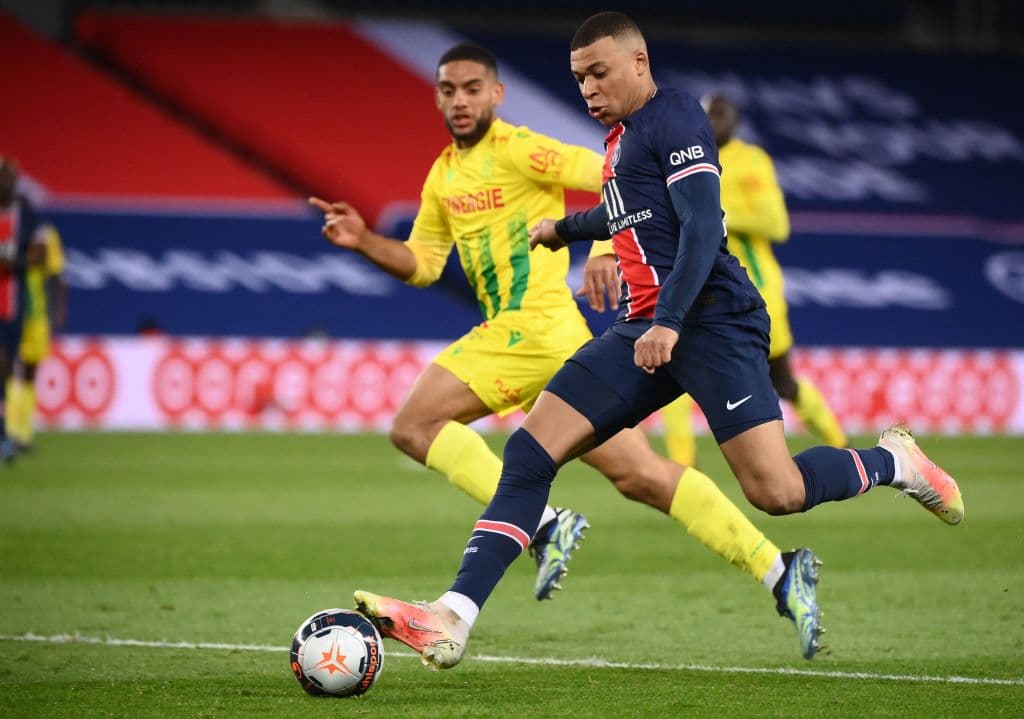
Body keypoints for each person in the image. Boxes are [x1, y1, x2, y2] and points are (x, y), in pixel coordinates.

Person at [351, 12, 964, 671]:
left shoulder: (676, 120)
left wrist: (670, 319)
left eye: (600, 72)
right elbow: (630, 208)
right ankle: (452, 617)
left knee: (776, 490)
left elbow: (702, 224)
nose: (588, 88)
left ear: (639, 64)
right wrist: (568, 228)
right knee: (531, 450)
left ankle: (894, 463)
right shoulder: (622, 140)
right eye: (579, 77)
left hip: (711, 321)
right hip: (644, 328)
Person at [315, 43, 829, 657]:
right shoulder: (443, 176)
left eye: (472, 88)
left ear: (496, 94)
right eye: (448, 90)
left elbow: (616, 180)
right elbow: (423, 263)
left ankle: (538, 529)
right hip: (550, 340)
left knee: (415, 425)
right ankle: (779, 571)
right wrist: (365, 240)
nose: (460, 100)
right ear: (437, 96)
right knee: (643, 476)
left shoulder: (523, 148)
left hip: (528, 330)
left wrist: (610, 250)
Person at [659, 94, 847, 467]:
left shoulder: (751, 161)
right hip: (698, 287)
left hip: (755, 292)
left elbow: (776, 224)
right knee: (673, 380)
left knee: (783, 382)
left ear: (735, 121)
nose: (715, 122)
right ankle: (682, 474)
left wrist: (717, 216)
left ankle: (842, 446)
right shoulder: (682, 158)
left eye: (721, 115)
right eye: (708, 115)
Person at [0, 157, 47, 463]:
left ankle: (5, 434)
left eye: (11, 176)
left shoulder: (26, 214)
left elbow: (40, 253)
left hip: (11, 307)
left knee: (5, 370)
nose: (8, 181)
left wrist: (17, 263)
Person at [7, 221, 66, 452]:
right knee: (11, 370)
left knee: (30, 372)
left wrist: (59, 309)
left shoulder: (45, 234)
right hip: (12, 313)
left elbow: (56, 272)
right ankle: (10, 430)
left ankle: (24, 432)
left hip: (37, 316)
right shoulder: (11, 233)